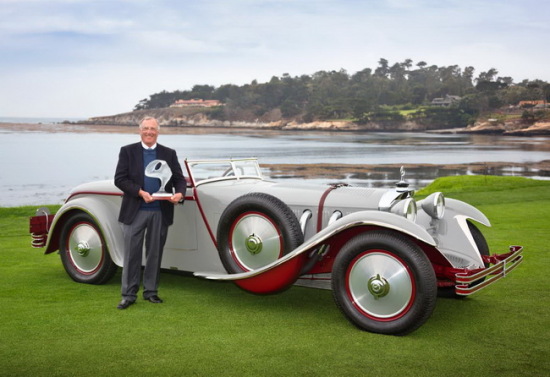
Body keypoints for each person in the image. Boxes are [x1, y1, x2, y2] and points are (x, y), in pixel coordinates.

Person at [114, 116, 187, 309]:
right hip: (135, 211)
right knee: (132, 254)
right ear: (140, 130)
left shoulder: (169, 153)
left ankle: (151, 292)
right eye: (146, 128)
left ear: (158, 131)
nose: (149, 132)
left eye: (152, 129)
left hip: (160, 212)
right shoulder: (127, 151)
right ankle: (128, 295)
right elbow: (120, 179)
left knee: (155, 253)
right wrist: (139, 192)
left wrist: (179, 193)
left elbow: (180, 179)